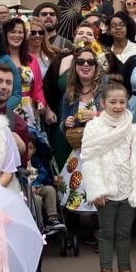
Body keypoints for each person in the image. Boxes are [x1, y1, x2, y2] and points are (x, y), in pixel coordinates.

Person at [80, 78, 136, 272]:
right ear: (103, 103)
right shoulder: (94, 127)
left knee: (123, 233)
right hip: (107, 191)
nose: (118, 106)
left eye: (122, 102)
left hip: (128, 190)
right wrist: (97, 188)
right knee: (106, 233)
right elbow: (89, 159)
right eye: (113, 102)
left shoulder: (135, 130)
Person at [56, 45, 104, 219]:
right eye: (81, 61)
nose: (86, 65)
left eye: (90, 62)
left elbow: (120, 114)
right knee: (77, 189)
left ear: (96, 66)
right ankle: (85, 230)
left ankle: (103, 231)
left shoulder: (105, 89)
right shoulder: (70, 94)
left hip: (103, 149)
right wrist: (66, 123)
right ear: (75, 66)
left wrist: (97, 115)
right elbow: (63, 124)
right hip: (81, 149)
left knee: (103, 189)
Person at [4, 17, 50, 130]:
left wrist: (41, 102)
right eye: (13, 32)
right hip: (6, 108)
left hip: (30, 110)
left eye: (20, 32)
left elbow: (38, 87)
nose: (17, 35)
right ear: (5, 34)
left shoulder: (31, 59)